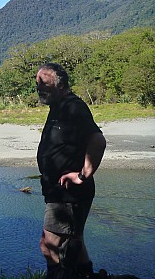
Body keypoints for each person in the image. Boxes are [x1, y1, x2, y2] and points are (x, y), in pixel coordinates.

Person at [35, 63, 106, 279]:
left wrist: (83, 174)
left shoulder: (73, 107)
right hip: (59, 192)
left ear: (62, 85)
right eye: (37, 83)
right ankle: (87, 275)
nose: (39, 88)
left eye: (44, 83)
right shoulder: (58, 107)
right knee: (74, 240)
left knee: (49, 244)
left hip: (68, 194)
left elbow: (98, 140)